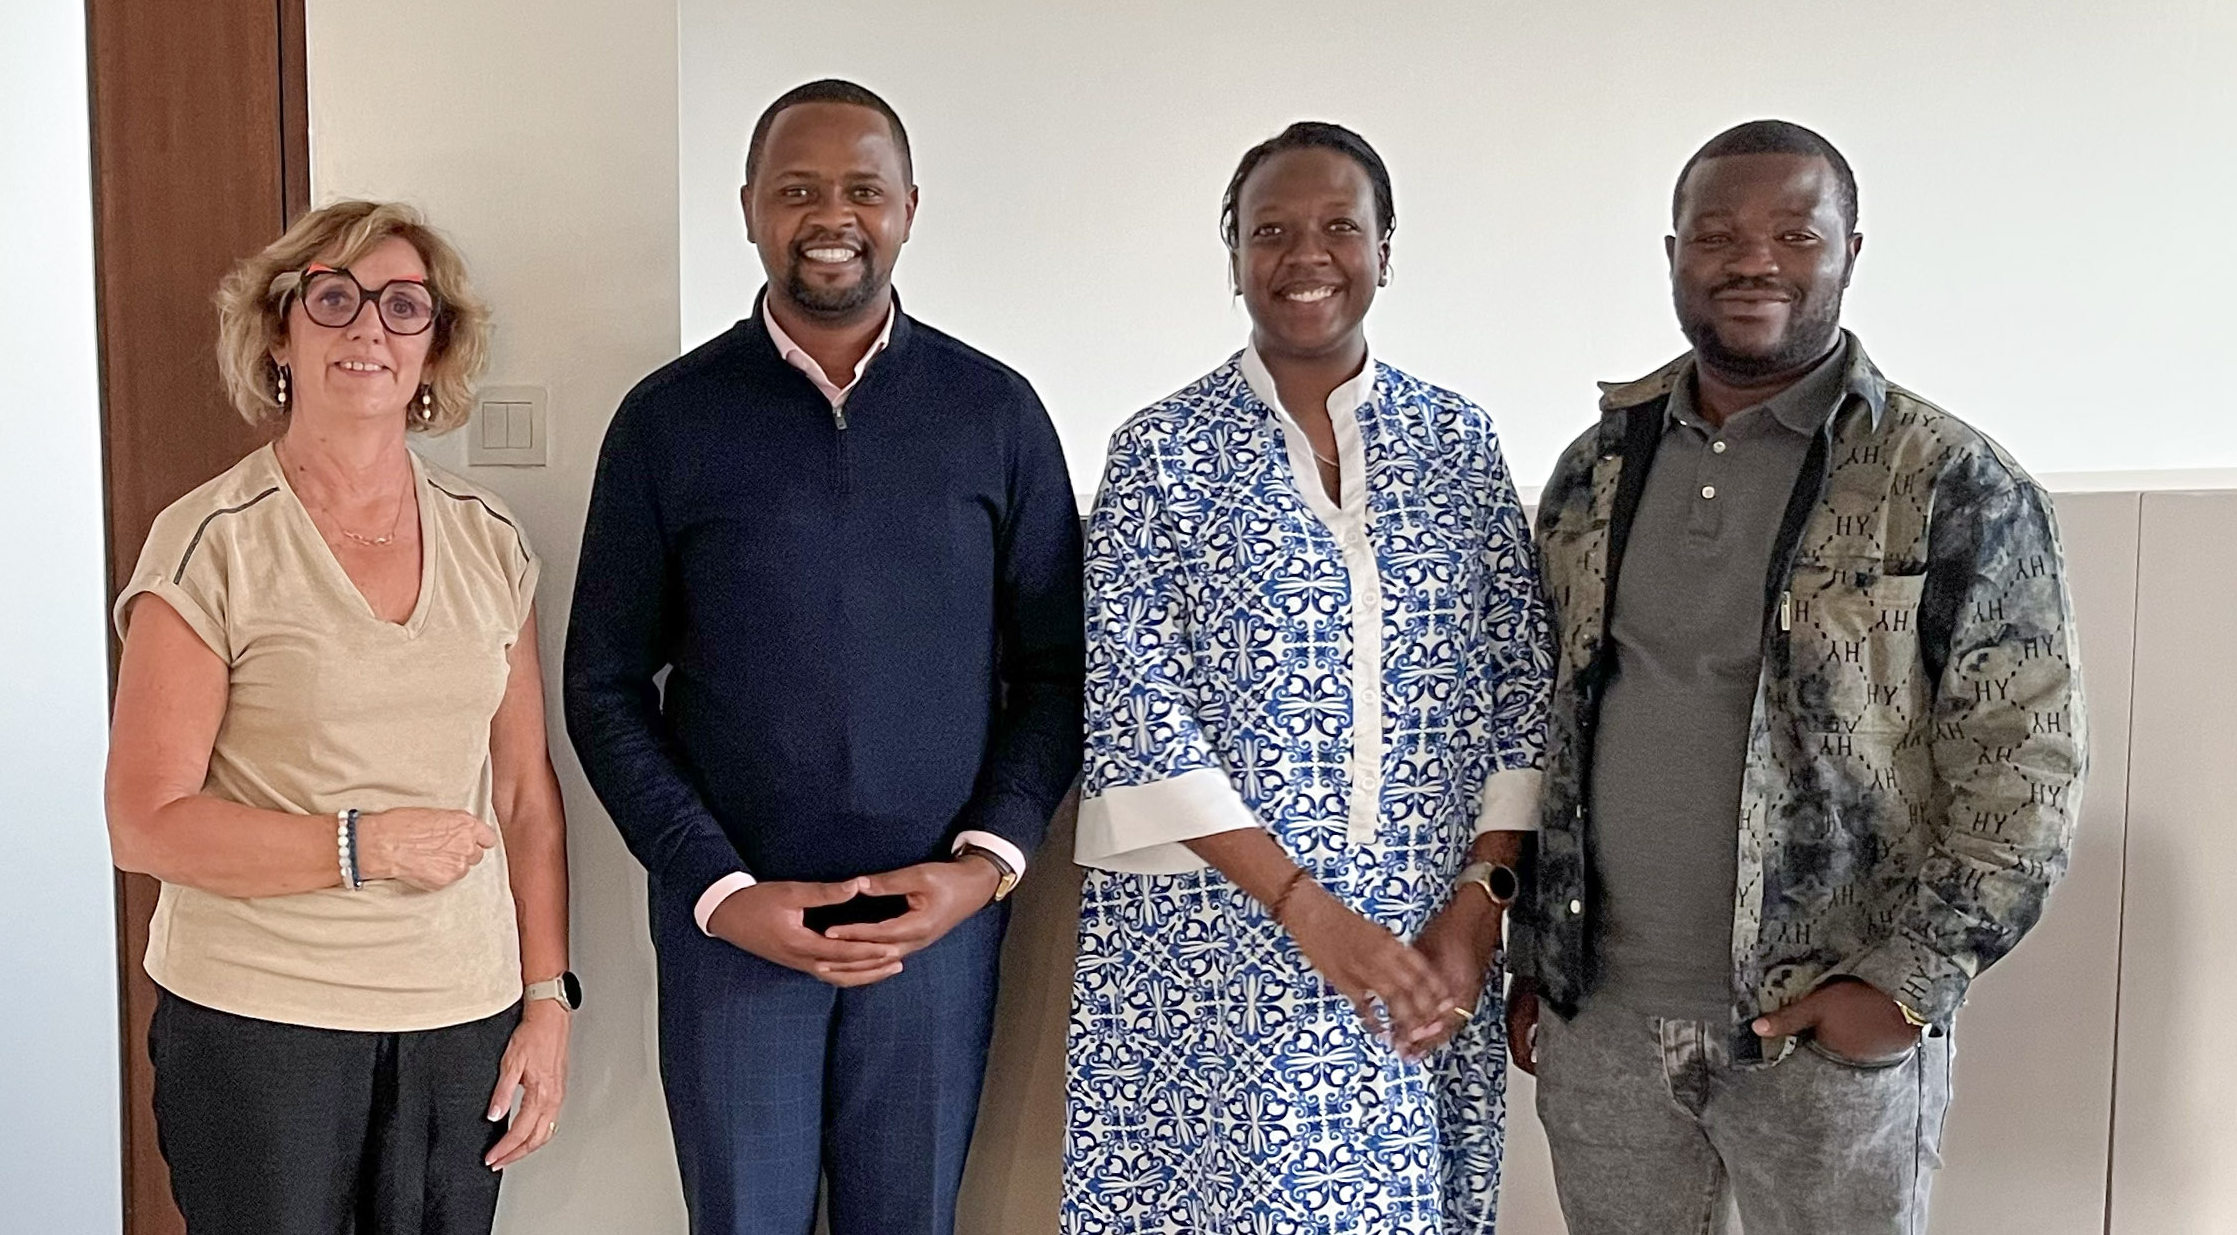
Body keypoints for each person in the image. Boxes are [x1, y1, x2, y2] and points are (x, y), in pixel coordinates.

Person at [1508, 120, 2086, 1234]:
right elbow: (1553, 727)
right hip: (1609, 1026)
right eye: (1716, 233)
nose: (1751, 259)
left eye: (1792, 232)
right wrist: (1542, 951)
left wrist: (1904, 985)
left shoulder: (1950, 480)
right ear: (1672, 251)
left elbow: (2027, 772)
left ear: (1850, 250)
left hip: (1823, 1027)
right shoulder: (1596, 468)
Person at [564, 79, 1083, 1235]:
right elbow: (601, 686)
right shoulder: (668, 419)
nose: (830, 215)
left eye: (861, 189)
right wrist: (718, 889)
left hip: (933, 929)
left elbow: (1058, 672)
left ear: (909, 206)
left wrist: (982, 866)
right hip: (738, 932)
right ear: (749, 206)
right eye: (797, 189)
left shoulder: (993, 412)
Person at [1064, 122, 1553, 1234]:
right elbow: (1136, 708)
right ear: (1231, 249)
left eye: (1340, 226)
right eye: (1271, 230)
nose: (1306, 254)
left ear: (1387, 247)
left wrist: (1477, 909)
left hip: (1430, 936)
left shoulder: (1458, 442)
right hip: (1221, 937)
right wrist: (1309, 911)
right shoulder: (1162, 450)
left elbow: (1526, 683)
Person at [104, 200, 577, 1235]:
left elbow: (524, 792)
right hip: (262, 1022)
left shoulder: (492, 542)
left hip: (461, 1018)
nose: (368, 326)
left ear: (433, 346)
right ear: (282, 333)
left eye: (403, 305)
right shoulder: (210, 544)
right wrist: (361, 845)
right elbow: (146, 820)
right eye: (334, 298)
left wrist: (547, 996)